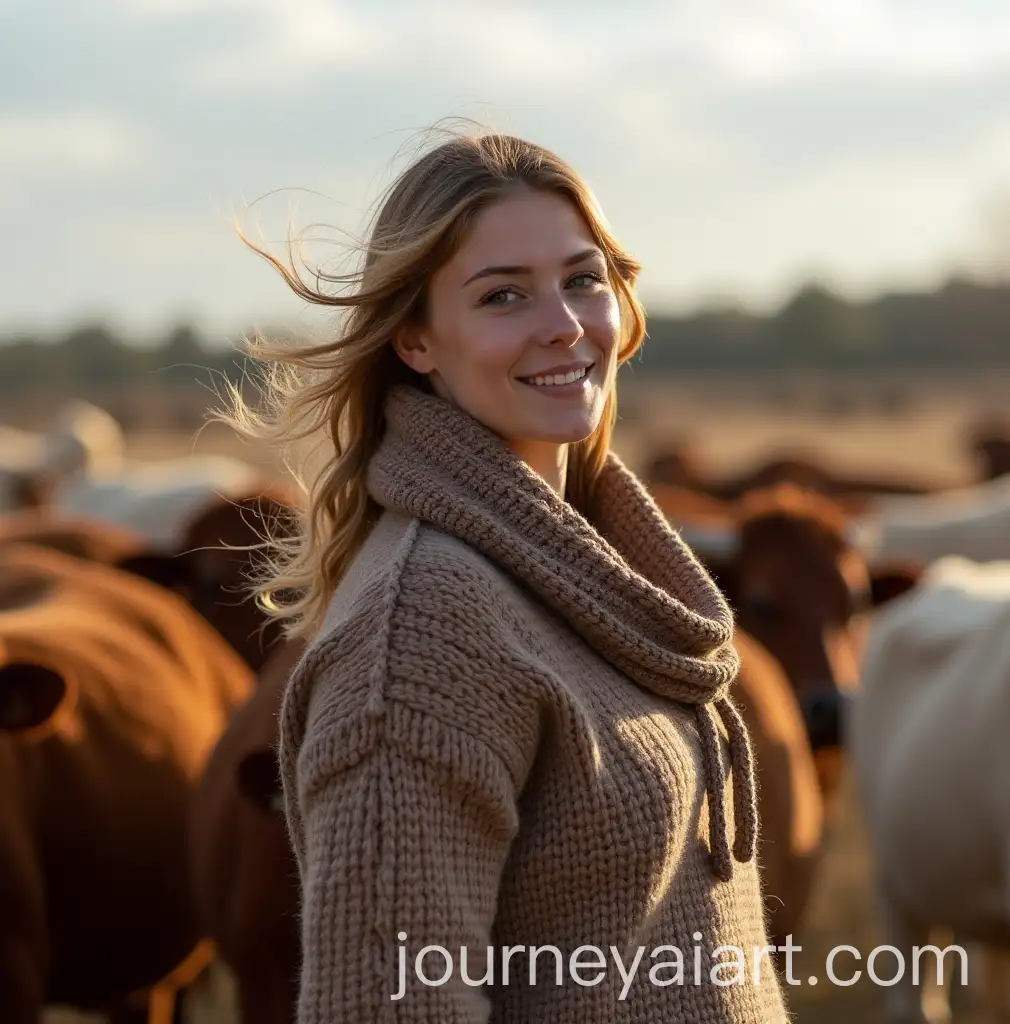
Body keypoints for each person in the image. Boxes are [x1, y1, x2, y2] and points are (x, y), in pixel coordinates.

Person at [224, 126, 789, 1022]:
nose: (563, 324)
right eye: (502, 296)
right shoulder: (425, 631)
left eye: (582, 279)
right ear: (416, 340)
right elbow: (387, 1006)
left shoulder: (591, 573)